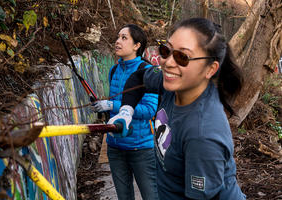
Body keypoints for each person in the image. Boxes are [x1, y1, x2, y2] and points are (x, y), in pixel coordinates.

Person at [108, 18, 246, 200]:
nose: (168, 63)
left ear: (210, 69)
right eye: (166, 51)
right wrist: (126, 111)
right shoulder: (174, 82)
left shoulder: (202, 134)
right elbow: (139, 76)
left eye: (183, 57)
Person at [91, 24, 159, 200]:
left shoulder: (147, 72)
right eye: (117, 37)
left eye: (124, 38)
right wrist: (102, 106)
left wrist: (112, 105)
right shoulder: (114, 70)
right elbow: (115, 106)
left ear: (137, 45)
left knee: (151, 195)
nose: (117, 41)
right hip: (115, 147)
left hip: (141, 148)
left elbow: (150, 110)